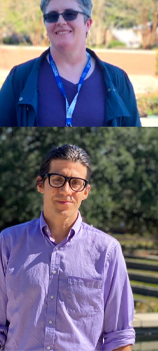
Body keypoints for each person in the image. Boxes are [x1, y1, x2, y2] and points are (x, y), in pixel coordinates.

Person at [0, 144, 135, 350]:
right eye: (57, 180)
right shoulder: (8, 242)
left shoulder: (107, 251)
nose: (66, 190)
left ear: (86, 192)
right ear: (40, 184)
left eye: (75, 183)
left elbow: (119, 337)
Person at [0, 0, 141, 127]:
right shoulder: (19, 78)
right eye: (52, 16)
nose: (60, 21)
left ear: (88, 24)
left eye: (70, 14)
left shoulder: (118, 80)